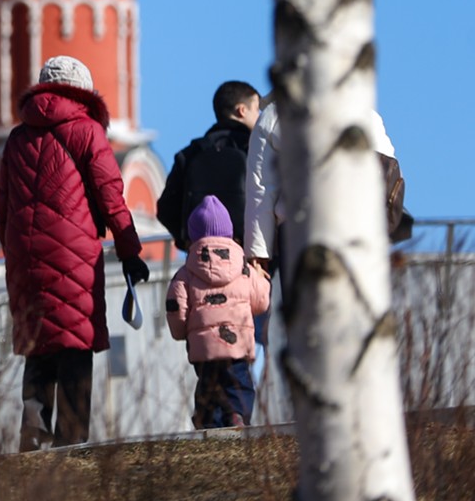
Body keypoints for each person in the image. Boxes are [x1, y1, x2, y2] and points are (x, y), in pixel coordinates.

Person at [0, 56, 149, 451]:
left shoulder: (16, 138)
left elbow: (3, 209)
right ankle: (72, 438)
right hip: (74, 255)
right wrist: (129, 249)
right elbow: (110, 195)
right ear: (83, 90)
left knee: (38, 342)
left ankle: (33, 430)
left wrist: (16, 251)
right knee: (75, 341)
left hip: (25, 256)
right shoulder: (88, 131)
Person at [245, 98, 396, 285]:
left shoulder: (275, 113)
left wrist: (258, 251)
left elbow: (262, 187)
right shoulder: (365, 114)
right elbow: (389, 173)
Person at [165, 194, 271, 428]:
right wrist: (262, 277)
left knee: (208, 387)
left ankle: (208, 424)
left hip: (204, 348)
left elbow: (176, 308)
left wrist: (183, 331)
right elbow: (262, 301)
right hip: (238, 344)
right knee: (238, 385)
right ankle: (236, 415)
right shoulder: (243, 268)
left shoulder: (185, 273)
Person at [157, 81, 261, 250]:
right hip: (249, 256)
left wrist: (189, 239)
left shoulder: (190, 153)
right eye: (257, 109)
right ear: (242, 110)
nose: (260, 116)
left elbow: (166, 208)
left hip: (200, 255)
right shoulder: (256, 151)